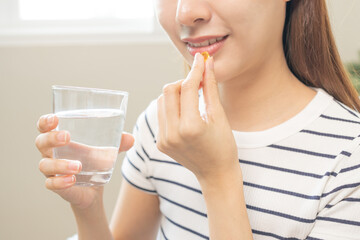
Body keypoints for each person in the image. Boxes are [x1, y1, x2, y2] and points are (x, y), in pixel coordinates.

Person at [36, 0, 360, 239]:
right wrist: (87, 207)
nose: (185, 12)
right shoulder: (164, 124)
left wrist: (218, 178)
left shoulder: (350, 158)